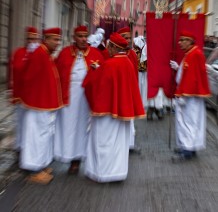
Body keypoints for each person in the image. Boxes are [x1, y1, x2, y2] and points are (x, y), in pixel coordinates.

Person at [83, 32, 145, 183]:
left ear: (112, 47)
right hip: (123, 111)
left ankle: (102, 173)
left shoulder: (109, 64)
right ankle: (118, 172)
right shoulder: (128, 63)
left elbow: (96, 86)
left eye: (109, 46)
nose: (108, 50)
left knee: (103, 141)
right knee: (119, 144)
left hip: (107, 112)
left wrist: (93, 71)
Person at [54, 25, 104, 175]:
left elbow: (103, 75)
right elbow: (55, 75)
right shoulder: (64, 53)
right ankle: (70, 157)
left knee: (84, 127)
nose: (83, 39)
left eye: (85, 36)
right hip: (68, 97)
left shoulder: (95, 53)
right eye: (80, 36)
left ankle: (80, 159)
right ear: (74, 38)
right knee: (68, 128)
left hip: (86, 98)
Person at [20, 27, 63, 184]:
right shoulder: (40, 54)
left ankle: (41, 165)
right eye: (55, 40)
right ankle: (34, 170)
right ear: (46, 39)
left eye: (59, 40)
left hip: (44, 103)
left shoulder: (46, 54)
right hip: (38, 104)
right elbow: (30, 79)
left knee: (44, 135)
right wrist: (35, 99)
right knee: (36, 136)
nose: (58, 43)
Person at [170, 30, 211, 162]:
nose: (180, 43)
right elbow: (187, 73)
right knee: (190, 122)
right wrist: (178, 68)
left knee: (188, 122)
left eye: (182, 40)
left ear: (189, 41)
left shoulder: (195, 54)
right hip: (189, 96)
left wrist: (183, 96)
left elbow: (193, 78)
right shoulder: (191, 53)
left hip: (190, 97)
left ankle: (187, 149)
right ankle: (188, 147)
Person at [9, 26, 40, 159]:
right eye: (29, 39)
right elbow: (16, 69)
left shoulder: (39, 55)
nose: (31, 41)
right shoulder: (18, 52)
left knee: (31, 124)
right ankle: (19, 147)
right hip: (20, 94)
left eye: (34, 39)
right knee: (20, 121)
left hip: (33, 96)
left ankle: (29, 149)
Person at [117, 26, 139, 151]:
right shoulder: (113, 53)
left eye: (130, 38)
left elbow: (135, 74)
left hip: (129, 91)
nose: (128, 40)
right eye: (125, 38)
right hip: (118, 92)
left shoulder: (132, 54)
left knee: (129, 119)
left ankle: (130, 143)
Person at [133, 35, 147, 109]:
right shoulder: (135, 51)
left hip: (143, 72)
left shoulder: (142, 51)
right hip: (138, 72)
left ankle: (142, 101)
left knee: (143, 87)